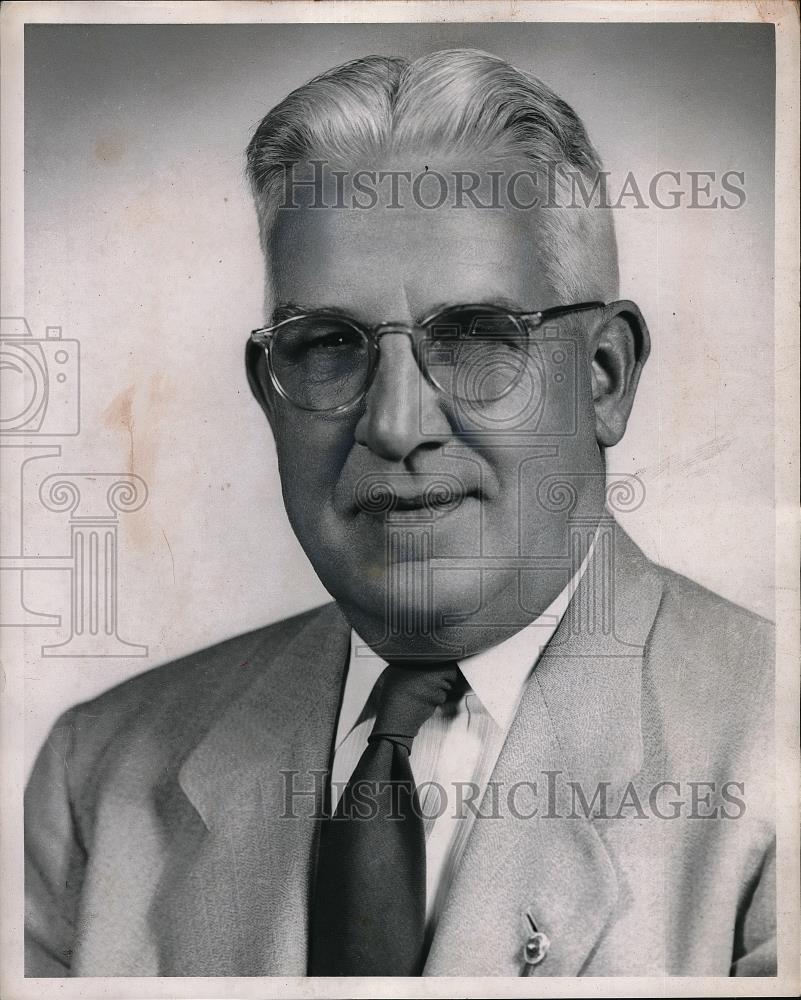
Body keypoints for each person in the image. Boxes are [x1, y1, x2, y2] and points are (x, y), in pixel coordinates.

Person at [25, 48, 775, 978]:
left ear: (604, 376)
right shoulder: (97, 778)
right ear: (270, 394)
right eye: (329, 344)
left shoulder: (777, 751)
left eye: (472, 337)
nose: (394, 424)